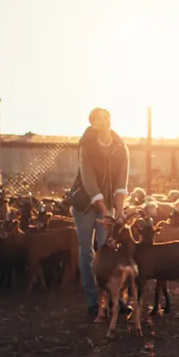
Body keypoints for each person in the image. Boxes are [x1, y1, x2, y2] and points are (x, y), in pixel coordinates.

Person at [69, 107, 130, 317]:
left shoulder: (121, 148)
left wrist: (118, 211)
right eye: (98, 120)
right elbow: (89, 180)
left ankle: (115, 299)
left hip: (108, 206)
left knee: (109, 250)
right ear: (92, 124)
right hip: (85, 203)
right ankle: (93, 301)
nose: (103, 122)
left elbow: (122, 181)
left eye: (106, 118)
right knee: (87, 252)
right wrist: (104, 210)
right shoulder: (85, 145)